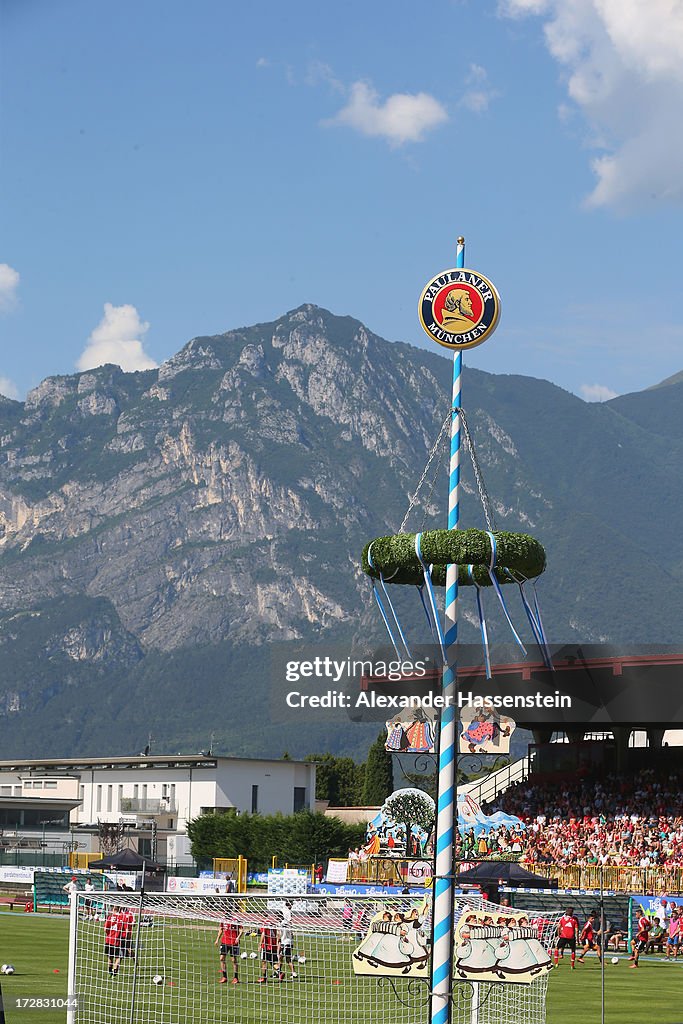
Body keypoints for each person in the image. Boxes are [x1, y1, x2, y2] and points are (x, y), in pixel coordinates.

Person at [215, 916, 243, 984]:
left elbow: (241, 930)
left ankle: (236, 978)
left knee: (233, 960)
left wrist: (238, 938)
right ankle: (224, 977)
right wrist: (217, 939)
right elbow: (221, 929)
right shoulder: (223, 920)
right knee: (221, 958)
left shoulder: (236, 920)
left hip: (234, 942)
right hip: (224, 942)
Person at [277, 911, 297, 980]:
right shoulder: (288, 922)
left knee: (287, 959)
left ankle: (294, 973)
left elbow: (279, 935)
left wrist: (278, 943)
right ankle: (278, 972)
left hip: (284, 943)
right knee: (281, 958)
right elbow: (292, 934)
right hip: (289, 942)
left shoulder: (280, 924)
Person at [104, 906, 122, 977]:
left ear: (114, 910)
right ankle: (115, 971)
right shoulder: (121, 918)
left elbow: (105, 929)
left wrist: (109, 933)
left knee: (110, 957)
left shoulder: (109, 918)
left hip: (109, 940)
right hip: (117, 941)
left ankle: (109, 971)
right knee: (118, 957)